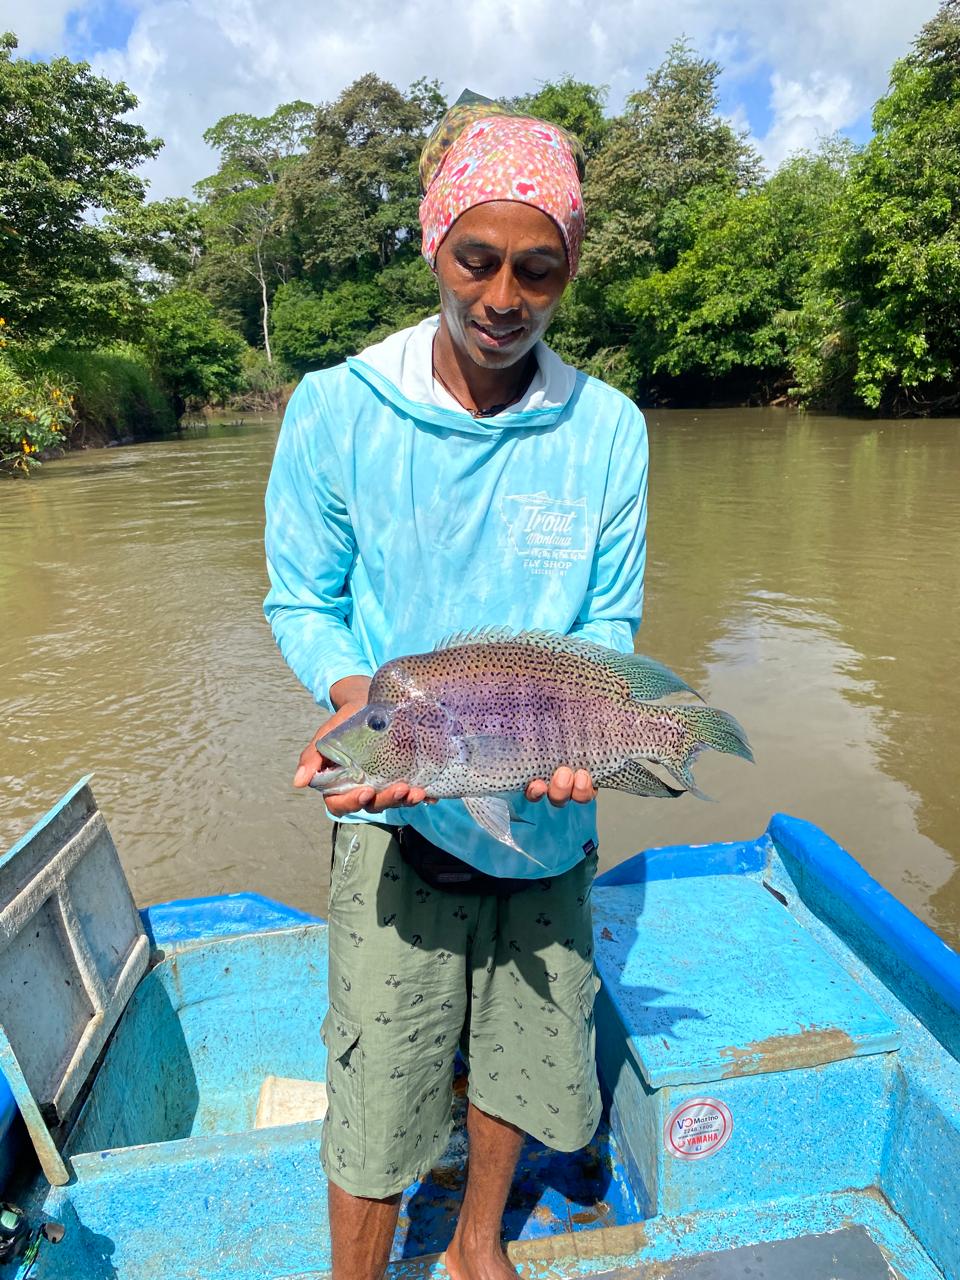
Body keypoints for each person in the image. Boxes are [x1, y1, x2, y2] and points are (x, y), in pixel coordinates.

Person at [263, 93, 648, 1280]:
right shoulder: (337, 409)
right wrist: (360, 705)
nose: (502, 297)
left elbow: (608, 619)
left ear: (566, 273)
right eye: (478, 259)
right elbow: (300, 596)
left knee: (531, 1047)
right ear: (433, 241)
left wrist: (609, 736)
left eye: (539, 270)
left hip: (547, 799)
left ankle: (480, 1239)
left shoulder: (610, 429)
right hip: (402, 799)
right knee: (379, 1073)